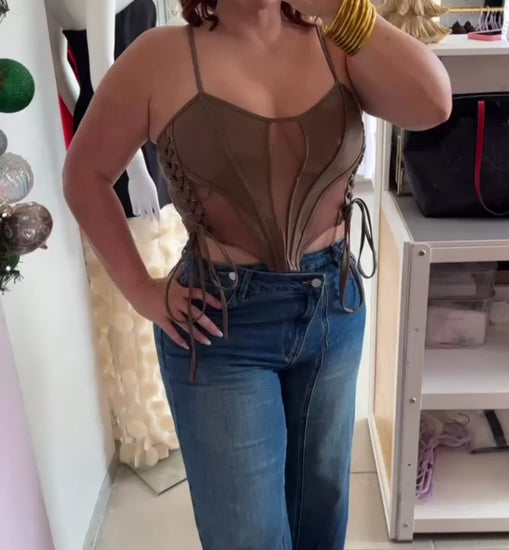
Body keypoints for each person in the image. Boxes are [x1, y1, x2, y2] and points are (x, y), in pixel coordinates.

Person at [63, 0, 451, 546]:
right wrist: (143, 291)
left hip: (332, 311)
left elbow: (434, 103)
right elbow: (85, 174)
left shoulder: (337, 40)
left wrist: (337, 7)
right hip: (219, 325)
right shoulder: (160, 56)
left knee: (322, 519)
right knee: (249, 535)